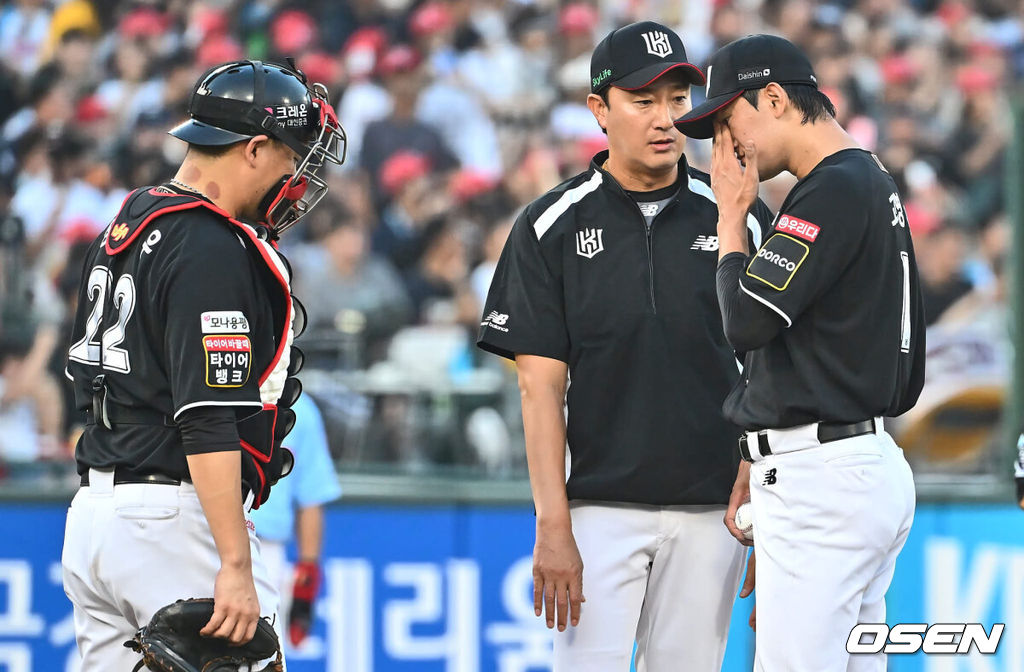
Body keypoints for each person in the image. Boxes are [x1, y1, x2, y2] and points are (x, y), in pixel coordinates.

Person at [477, 21, 773, 671]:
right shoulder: (549, 224)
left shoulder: (737, 211)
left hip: (715, 508)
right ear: (599, 110)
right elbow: (539, 386)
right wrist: (552, 523)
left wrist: (767, 488)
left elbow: (775, 360)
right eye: (643, 100)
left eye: (676, 98)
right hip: (598, 508)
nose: (665, 117)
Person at [61, 59, 346, 670]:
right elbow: (209, 416)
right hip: (172, 519)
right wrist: (236, 563)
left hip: (95, 515)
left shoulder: (131, 218)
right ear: (255, 148)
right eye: (293, 158)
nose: (298, 178)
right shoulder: (212, 244)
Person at [674, 34, 925, 671]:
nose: (724, 148)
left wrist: (731, 223)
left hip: (825, 478)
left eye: (729, 121)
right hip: (855, 463)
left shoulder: (834, 186)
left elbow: (749, 322)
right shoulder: (865, 177)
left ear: (776, 99)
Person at [250, 393, 342, 650]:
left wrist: (308, 573)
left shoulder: (298, 406)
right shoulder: (209, 385)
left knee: (261, 655)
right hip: (201, 533)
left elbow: (311, 496)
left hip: (264, 549)